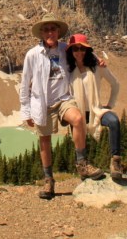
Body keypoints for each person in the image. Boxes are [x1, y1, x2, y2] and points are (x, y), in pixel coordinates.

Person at [20, 13, 104, 199]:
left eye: (53, 29)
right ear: (41, 33)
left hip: (64, 99)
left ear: (58, 32)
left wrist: (97, 60)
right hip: (43, 103)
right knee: (45, 140)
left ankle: (82, 163)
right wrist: (26, 111)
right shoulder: (32, 55)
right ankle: (48, 179)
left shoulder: (66, 48)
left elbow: (83, 50)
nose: (50, 32)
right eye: (46, 29)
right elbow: (25, 83)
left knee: (78, 118)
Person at [66, 33, 125, 180]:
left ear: (87, 50)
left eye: (82, 49)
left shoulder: (97, 67)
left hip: (96, 109)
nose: (79, 52)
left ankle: (115, 162)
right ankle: (84, 169)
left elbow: (115, 84)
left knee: (114, 122)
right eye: (75, 49)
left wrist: (109, 105)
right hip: (77, 112)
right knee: (80, 142)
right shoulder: (67, 69)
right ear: (71, 51)